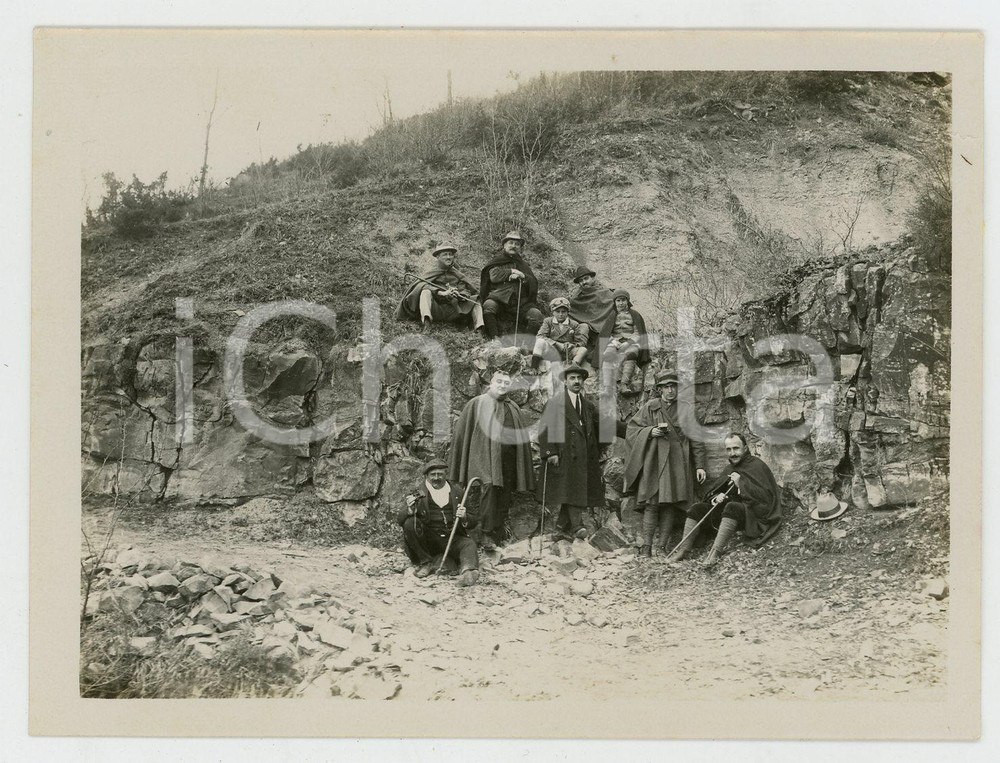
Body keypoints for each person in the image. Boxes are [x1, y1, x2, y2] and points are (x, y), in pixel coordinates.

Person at [449, 369, 536, 549]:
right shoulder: (478, 403)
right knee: (488, 489)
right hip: (484, 457)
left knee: (505, 494)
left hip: (508, 459)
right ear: (491, 383)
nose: (502, 386)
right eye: (499, 382)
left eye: (506, 383)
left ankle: (497, 534)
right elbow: (461, 433)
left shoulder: (513, 407)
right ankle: (486, 534)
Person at [624, 370, 707, 558]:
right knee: (651, 503)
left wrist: (700, 465)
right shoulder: (650, 407)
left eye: (673, 386)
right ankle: (646, 547)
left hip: (676, 462)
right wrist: (649, 431)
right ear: (659, 389)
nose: (670, 390)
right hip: (654, 461)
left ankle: (661, 546)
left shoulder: (686, 409)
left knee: (670, 504)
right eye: (666, 387)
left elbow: (696, 439)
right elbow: (632, 429)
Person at [667, 433, 782, 567]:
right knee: (696, 508)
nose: (732, 453)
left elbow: (766, 498)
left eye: (736, 448)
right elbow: (714, 492)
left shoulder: (757, 466)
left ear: (745, 448)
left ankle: (715, 553)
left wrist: (741, 484)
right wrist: (717, 498)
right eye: (729, 449)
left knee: (732, 507)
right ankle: (682, 551)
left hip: (753, 515)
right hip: (730, 514)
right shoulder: (729, 468)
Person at [535, 363, 607, 539]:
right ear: (565, 382)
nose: (576, 381)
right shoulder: (555, 403)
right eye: (572, 378)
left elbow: (602, 426)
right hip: (564, 454)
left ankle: (561, 527)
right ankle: (577, 526)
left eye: (579, 378)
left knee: (575, 488)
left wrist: (633, 429)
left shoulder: (588, 405)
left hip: (584, 457)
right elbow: (544, 430)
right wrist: (550, 452)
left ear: (583, 381)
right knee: (571, 488)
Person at [397, 459, 481, 586]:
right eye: (433, 475)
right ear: (426, 476)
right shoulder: (417, 492)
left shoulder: (457, 492)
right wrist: (409, 510)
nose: (436, 478)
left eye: (440, 474)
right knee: (409, 523)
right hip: (429, 541)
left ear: (445, 474)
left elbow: (474, 521)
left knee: (468, 544)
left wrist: (464, 517)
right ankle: (425, 562)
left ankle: (468, 571)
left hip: (452, 537)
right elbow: (400, 520)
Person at [394, 243, 485, 333]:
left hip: (454, 309)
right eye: (445, 254)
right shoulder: (431, 272)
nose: (448, 257)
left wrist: (459, 294)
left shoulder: (458, 274)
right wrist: (441, 292)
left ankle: (479, 329)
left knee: (475, 299)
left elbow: (465, 290)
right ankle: (427, 322)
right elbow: (421, 285)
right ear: (438, 257)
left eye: (450, 254)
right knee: (425, 292)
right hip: (436, 309)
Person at [479, 231, 544, 342]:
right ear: (504, 245)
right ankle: (494, 339)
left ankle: (526, 344)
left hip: (520, 302)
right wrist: (511, 272)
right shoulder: (497, 261)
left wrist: (523, 276)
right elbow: (494, 276)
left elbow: (533, 281)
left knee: (536, 315)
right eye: (511, 243)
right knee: (488, 305)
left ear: (520, 247)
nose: (513, 246)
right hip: (500, 298)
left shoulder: (523, 264)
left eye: (517, 244)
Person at [601, 289, 648, 394]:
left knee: (631, 354)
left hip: (630, 341)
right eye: (618, 300)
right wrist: (614, 342)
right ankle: (607, 387)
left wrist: (628, 343)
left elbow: (638, 333)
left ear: (627, 301)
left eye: (623, 300)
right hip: (615, 341)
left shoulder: (635, 315)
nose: (621, 303)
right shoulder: (611, 316)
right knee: (607, 355)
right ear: (614, 302)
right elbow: (606, 333)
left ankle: (624, 384)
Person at [531, 297, 589, 368]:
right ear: (553, 312)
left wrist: (572, 345)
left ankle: (573, 367)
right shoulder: (548, 321)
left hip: (567, 352)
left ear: (568, 312)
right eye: (558, 311)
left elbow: (579, 342)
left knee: (583, 350)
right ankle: (533, 367)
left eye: (563, 311)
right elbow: (540, 336)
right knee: (540, 341)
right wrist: (556, 343)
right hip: (553, 350)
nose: (560, 314)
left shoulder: (574, 324)